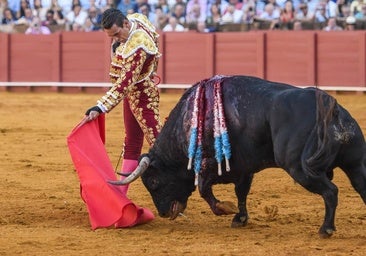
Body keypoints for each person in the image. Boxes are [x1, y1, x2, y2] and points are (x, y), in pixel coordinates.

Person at [84, 8, 162, 195]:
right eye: (111, 36)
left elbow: (124, 84)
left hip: (143, 96)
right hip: (135, 93)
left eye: (117, 34)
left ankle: (181, 187)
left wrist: (100, 106)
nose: (116, 39)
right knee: (132, 143)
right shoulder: (136, 18)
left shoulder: (138, 46)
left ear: (126, 24)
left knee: (160, 145)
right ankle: (120, 195)